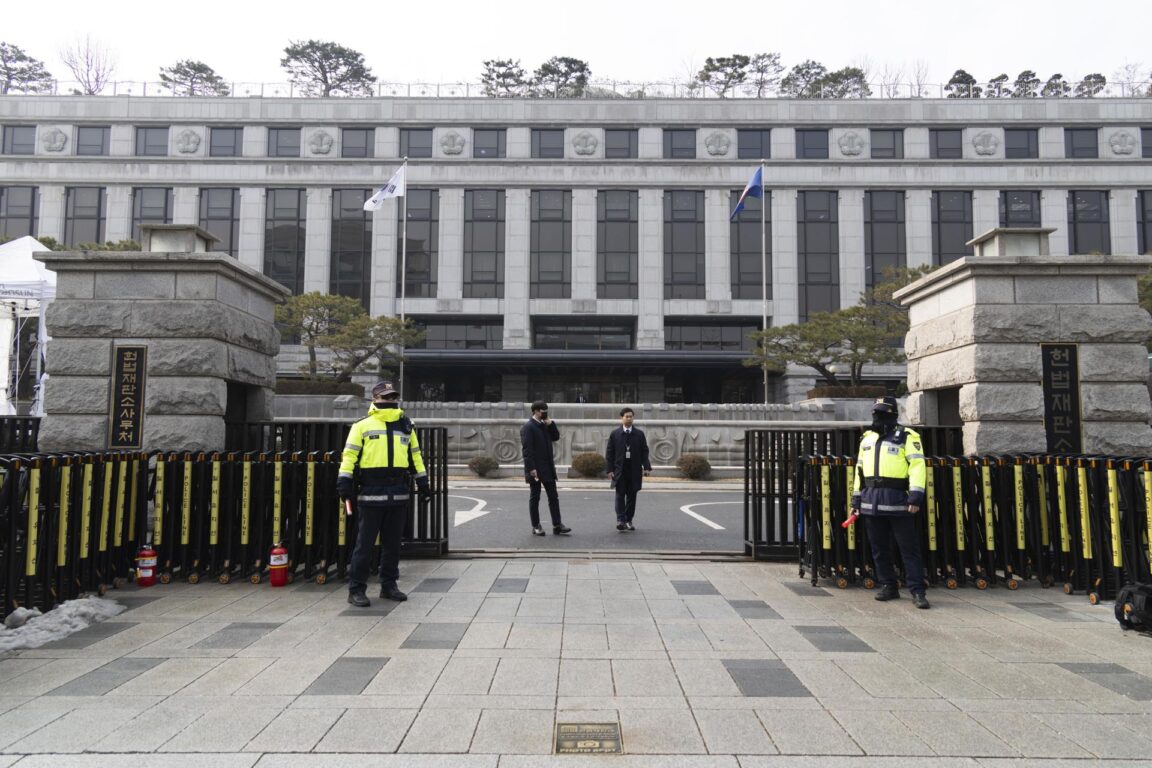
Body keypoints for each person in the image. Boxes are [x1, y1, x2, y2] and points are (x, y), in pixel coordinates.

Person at [337, 381, 430, 607]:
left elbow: (415, 455)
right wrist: (344, 481)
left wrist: (423, 481)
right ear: (374, 399)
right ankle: (356, 589)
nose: (389, 400)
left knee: (392, 544)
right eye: (385, 397)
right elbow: (349, 456)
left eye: (392, 397)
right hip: (371, 491)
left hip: (398, 492)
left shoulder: (406, 425)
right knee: (365, 545)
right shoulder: (361, 425)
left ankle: (389, 586)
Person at [850, 396, 930, 610]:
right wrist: (856, 499)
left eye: (883, 412)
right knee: (879, 549)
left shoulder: (907, 436)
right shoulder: (866, 439)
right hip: (871, 502)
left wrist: (915, 496)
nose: (878, 416)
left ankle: (917, 590)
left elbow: (917, 467)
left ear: (894, 414)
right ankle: (888, 585)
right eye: (876, 412)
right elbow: (859, 471)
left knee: (909, 549)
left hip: (899, 502)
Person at [521, 400, 571, 536]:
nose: (545, 414)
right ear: (535, 411)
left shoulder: (544, 425)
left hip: (547, 467)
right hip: (535, 468)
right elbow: (527, 450)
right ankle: (536, 526)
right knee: (535, 497)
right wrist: (531, 468)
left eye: (546, 411)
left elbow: (556, 437)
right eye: (543, 412)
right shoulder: (529, 427)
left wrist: (551, 424)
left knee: (553, 497)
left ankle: (557, 524)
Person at [605, 407, 652, 531]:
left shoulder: (639, 434)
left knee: (632, 497)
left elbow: (644, 451)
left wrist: (646, 467)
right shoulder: (615, 434)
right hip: (619, 470)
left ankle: (629, 520)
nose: (629, 419)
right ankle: (620, 520)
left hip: (634, 470)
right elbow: (610, 453)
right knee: (620, 495)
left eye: (631, 416)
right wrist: (609, 470)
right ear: (621, 418)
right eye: (627, 416)